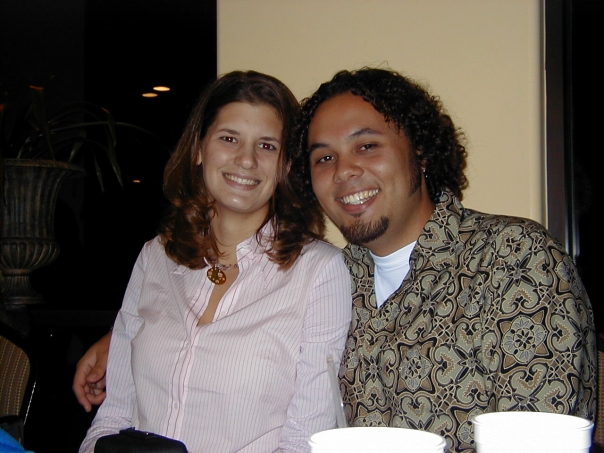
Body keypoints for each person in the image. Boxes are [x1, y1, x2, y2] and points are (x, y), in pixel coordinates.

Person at [74, 67, 597, 453]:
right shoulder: (345, 276)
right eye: (324, 157)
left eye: (366, 146)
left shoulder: (512, 258)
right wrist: (126, 338)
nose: (344, 170)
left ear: (420, 150)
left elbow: (546, 435)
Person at [77, 70, 352, 453]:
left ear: (286, 165)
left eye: (267, 145)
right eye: (229, 138)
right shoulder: (154, 257)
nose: (246, 159)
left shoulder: (319, 272)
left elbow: (303, 442)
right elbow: (114, 418)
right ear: (199, 148)